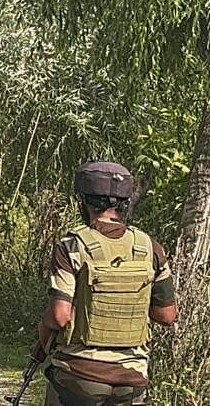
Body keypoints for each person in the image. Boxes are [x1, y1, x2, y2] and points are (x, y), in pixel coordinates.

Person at [35, 162, 177, 406]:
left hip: (79, 374)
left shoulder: (71, 246)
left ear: (82, 201)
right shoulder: (150, 248)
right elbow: (166, 315)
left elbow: (59, 316)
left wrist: (42, 335)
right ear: (126, 203)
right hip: (132, 379)